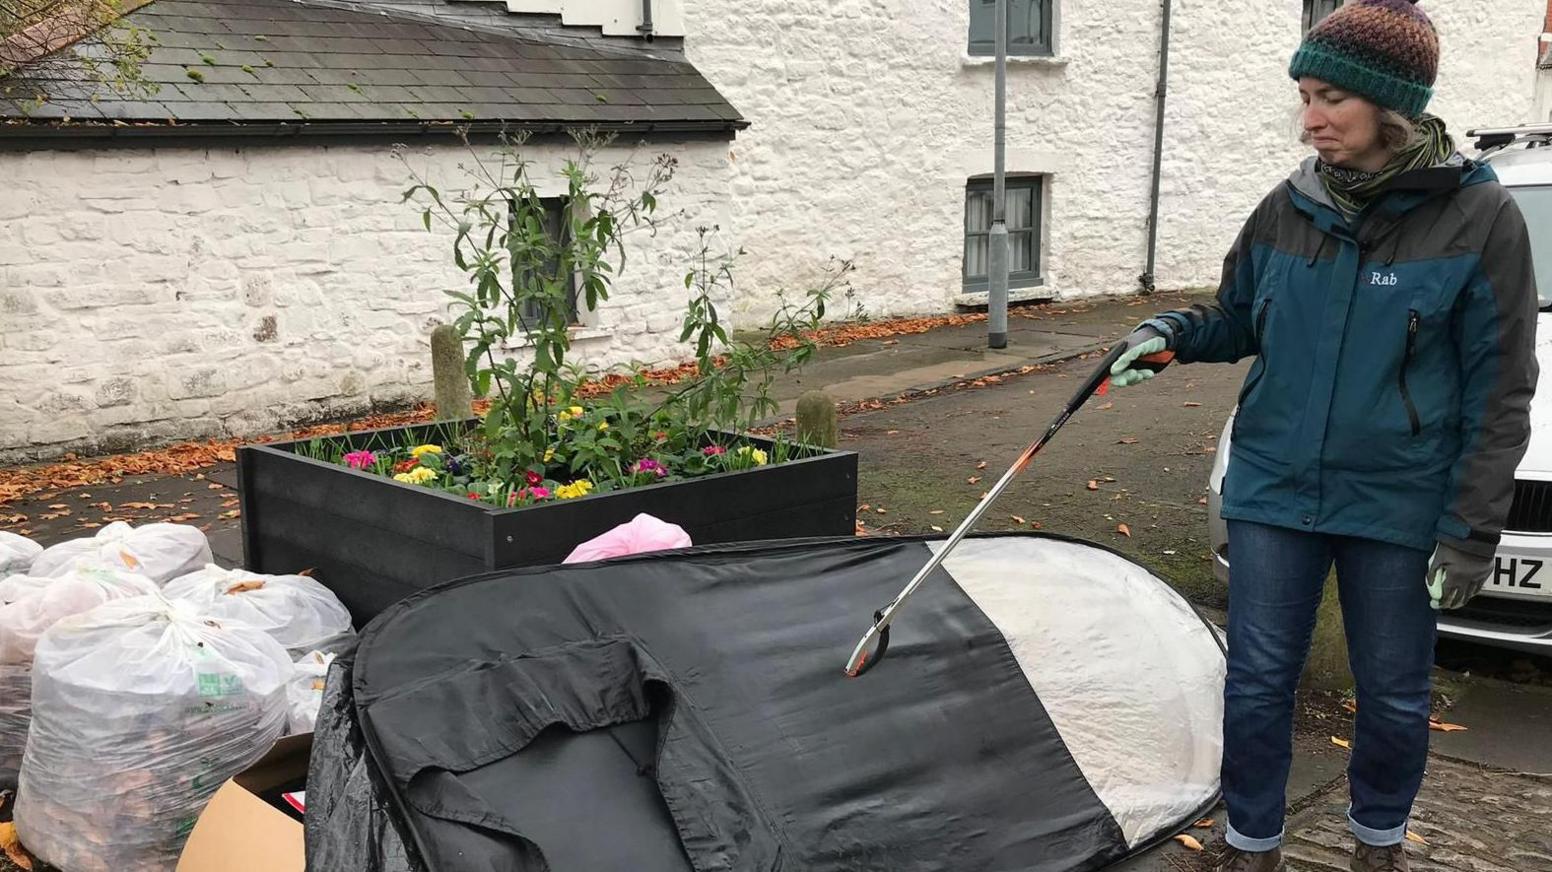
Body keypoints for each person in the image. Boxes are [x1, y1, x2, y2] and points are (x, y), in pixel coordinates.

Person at [1110, 2, 1538, 871]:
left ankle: (1377, 842)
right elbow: (1237, 317)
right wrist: (1171, 335)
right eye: (1304, 96)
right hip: (1274, 484)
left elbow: (1501, 392)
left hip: (1397, 499)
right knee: (1259, 681)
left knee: (1391, 694)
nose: (1310, 119)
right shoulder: (1287, 206)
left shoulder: (1480, 220)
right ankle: (1251, 841)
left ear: (1392, 106)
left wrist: (1468, 535)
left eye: (1331, 98)